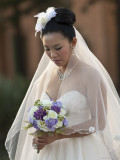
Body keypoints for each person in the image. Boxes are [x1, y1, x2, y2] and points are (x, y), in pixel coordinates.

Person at [5, 7, 120, 160]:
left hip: (82, 151)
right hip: (49, 152)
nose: (53, 55)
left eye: (58, 48)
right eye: (47, 49)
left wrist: (58, 135)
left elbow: (98, 123)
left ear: (73, 42)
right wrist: (39, 138)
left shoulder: (90, 75)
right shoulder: (46, 77)